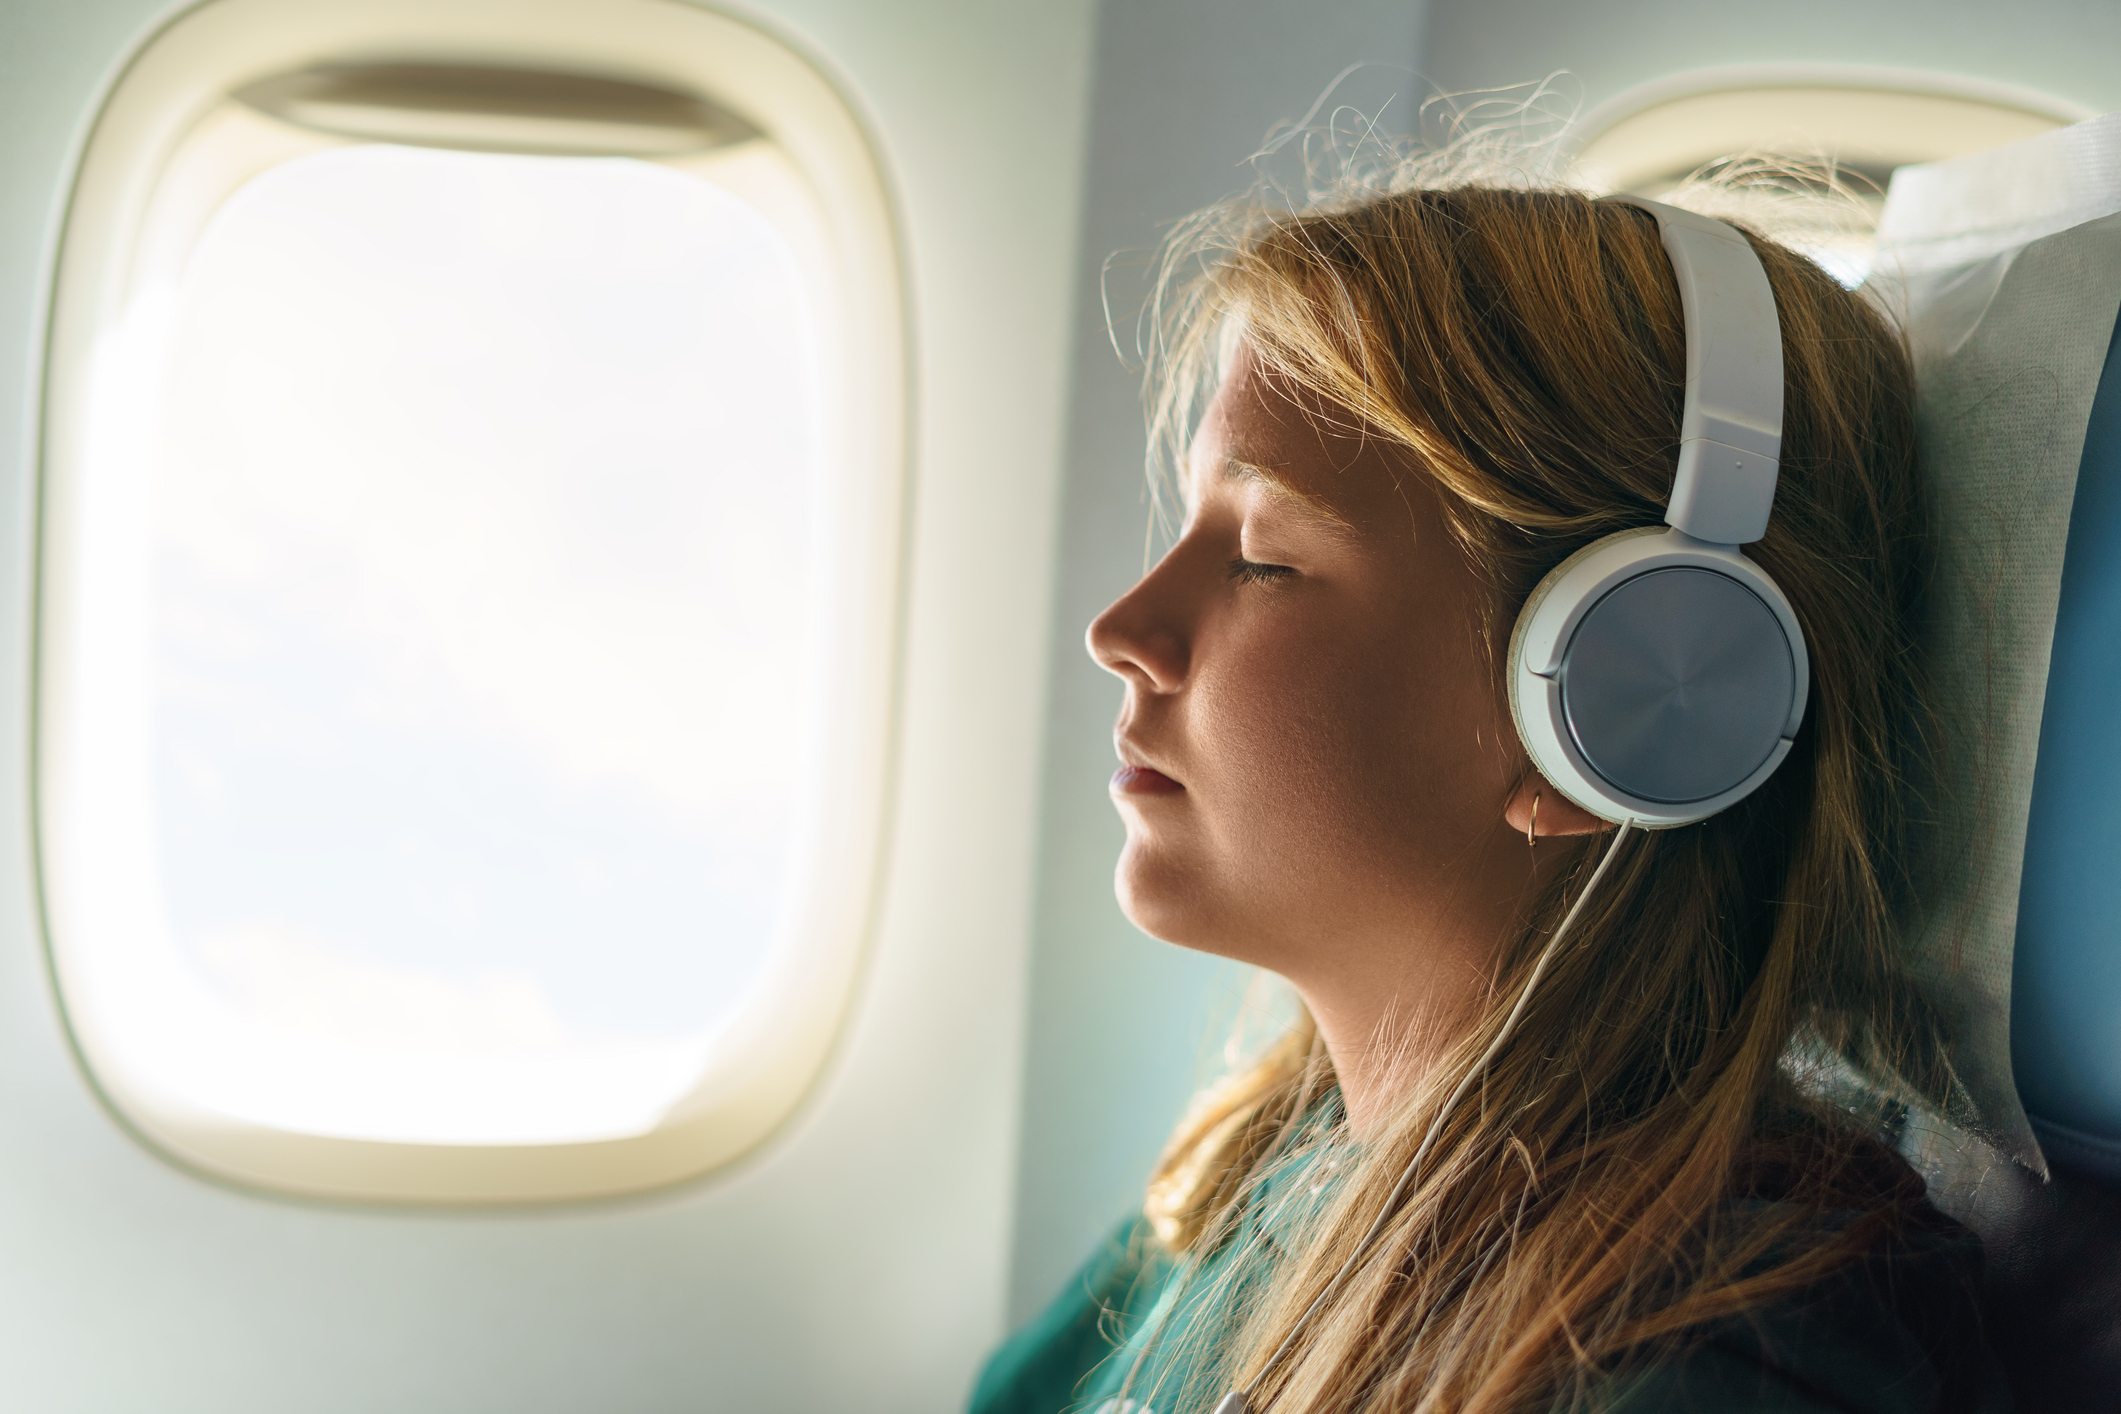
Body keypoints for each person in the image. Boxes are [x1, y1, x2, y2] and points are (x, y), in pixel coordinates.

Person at [969, 169, 2009, 1414]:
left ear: (1617, 699)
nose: (1120, 628)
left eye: (1262, 558)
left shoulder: (1690, 1366)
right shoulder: (1267, 1160)